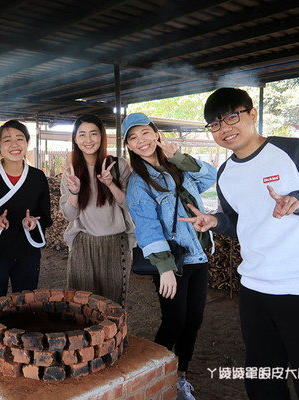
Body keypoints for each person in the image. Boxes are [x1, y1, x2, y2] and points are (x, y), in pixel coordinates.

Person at [180, 87, 299, 400]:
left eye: (231, 117)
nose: (224, 128)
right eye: (214, 124)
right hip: (256, 289)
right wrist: (216, 222)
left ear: (252, 114)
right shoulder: (226, 174)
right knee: (263, 382)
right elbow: (243, 221)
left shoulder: (297, 152)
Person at [123, 112, 216, 400]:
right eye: (133, 138)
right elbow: (148, 228)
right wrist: (164, 267)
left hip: (198, 256)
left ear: (156, 134)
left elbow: (210, 177)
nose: (141, 141)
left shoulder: (178, 167)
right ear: (128, 145)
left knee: (194, 320)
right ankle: (153, 375)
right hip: (173, 262)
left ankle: (181, 376)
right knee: (174, 321)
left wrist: (178, 157)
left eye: (145, 133)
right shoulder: (139, 183)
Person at [0, 120, 52, 302]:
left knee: (26, 304)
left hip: (27, 252)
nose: (14, 144)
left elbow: (45, 215)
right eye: (7, 140)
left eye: (20, 139)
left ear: (27, 143)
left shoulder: (38, 177)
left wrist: (34, 223)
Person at [60, 114, 135, 306]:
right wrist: (74, 191)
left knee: (113, 306)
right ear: (75, 140)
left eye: (93, 134)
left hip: (115, 244)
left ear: (101, 137)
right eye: (82, 134)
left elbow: (131, 205)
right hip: (83, 245)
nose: (88, 140)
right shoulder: (71, 172)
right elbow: (69, 215)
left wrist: (111, 184)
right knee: (81, 306)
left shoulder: (118, 166)